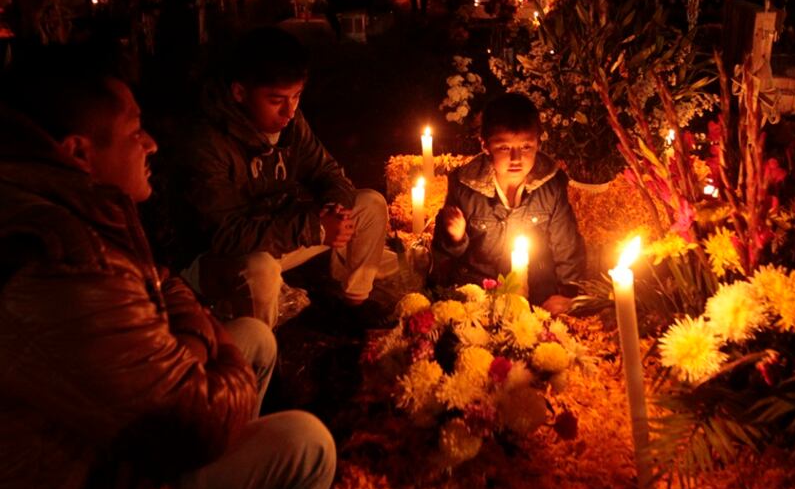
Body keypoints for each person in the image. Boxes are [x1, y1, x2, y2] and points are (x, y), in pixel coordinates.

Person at [0, 57, 335, 489]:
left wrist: (194, 338)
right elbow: (189, 423)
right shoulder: (54, 262)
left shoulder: (72, 207)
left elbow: (161, 280)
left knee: (255, 336)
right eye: (135, 131)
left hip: (115, 444)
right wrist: (205, 347)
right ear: (78, 152)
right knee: (307, 444)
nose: (151, 144)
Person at [174, 27, 395, 329]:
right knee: (261, 268)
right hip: (222, 259)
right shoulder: (209, 143)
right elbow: (226, 234)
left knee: (369, 204)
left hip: (280, 233)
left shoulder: (290, 124)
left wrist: (335, 209)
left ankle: (354, 305)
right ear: (239, 93)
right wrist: (315, 229)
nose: (289, 111)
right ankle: (260, 344)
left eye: (296, 97)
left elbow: (328, 172)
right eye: (276, 100)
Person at [432, 93, 587, 314]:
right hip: (480, 297)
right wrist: (455, 239)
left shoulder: (551, 186)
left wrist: (569, 297)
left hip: (537, 298)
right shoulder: (465, 185)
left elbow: (568, 249)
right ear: (485, 145)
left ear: (538, 142)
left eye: (526, 147)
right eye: (504, 148)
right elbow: (442, 258)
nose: (516, 158)